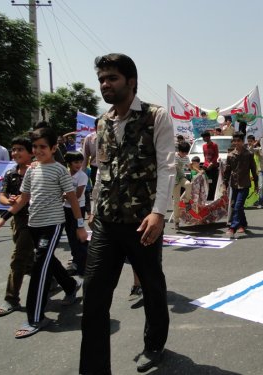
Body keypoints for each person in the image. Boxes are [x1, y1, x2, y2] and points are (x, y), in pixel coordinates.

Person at [80, 53, 175, 374]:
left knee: (152, 286)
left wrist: (159, 213)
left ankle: (154, 344)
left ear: (130, 82)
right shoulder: (102, 123)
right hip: (107, 222)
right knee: (92, 297)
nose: (105, 85)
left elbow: (167, 166)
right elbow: (101, 168)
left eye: (112, 78)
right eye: (102, 79)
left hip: (143, 222)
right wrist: (92, 208)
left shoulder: (155, 117)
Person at [0, 127, 87, 338]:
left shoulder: (60, 170)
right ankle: (71, 285)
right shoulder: (32, 170)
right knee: (47, 261)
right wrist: (2, 220)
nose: (38, 150)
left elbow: (72, 198)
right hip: (33, 225)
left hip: (52, 226)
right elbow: (23, 199)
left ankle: (35, 318)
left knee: (39, 269)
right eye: (35, 146)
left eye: (43, 146)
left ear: (53, 148)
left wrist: (80, 225)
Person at [0, 137, 35, 317]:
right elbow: (2, 196)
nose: (16, 153)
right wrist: (7, 200)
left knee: (18, 258)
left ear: (30, 152)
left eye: (20, 149)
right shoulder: (11, 173)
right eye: (14, 149)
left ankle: (11, 299)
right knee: (28, 259)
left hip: (33, 220)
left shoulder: (37, 172)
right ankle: (58, 281)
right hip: (16, 219)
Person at [223, 132, 258, 238]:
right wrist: (224, 186)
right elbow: (227, 172)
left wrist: (256, 184)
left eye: (239, 141)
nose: (236, 143)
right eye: (235, 141)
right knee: (235, 205)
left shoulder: (248, 154)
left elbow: (253, 170)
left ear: (243, 142)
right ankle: (243, 223)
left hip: (245, 184)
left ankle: (233, 228)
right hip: (234, 184)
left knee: (238, 206)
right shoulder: (230, 155)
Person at [63, 151, 89, 276]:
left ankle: (83, 264)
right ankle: (76, 260)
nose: (79, 165)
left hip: (78, 208)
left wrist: (62, 195)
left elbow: (77, 195)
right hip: (66, 208)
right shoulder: (65, 174)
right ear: (69, 163)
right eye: (75, 162)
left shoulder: (82, 176)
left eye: (80, 162)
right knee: (70, 235)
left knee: (78, 236)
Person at [248, 135, 263, 209]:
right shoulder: (259, 149)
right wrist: (255, 143)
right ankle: (260, 202)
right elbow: (250, 150)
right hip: (261, 170)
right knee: (261, 187)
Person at [173, 141, 192, 230]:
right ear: (179, 151)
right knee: (176, 202)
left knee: (188, 184)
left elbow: (190, 166)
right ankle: (176, 221)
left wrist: (199, 171)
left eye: (186, 153)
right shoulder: (174, 156)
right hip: (174, 181)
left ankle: (186, 201)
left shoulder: (186, 158)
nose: (184, 154)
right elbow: (175, 168)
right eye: (183, 152)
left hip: (181, 178)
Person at [201, 130, 219, 201]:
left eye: (204, 137)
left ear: (208, 137)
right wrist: (205, 165)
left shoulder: (214, 145)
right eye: (203, 137)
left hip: (213, 167)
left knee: (213, 183)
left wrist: (211, 163)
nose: (204, 139)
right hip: (206, 168)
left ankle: (213, 197)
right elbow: (205, 156)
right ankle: (207, 197)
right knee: (206, 182)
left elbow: (216, 155)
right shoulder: (204, 146)